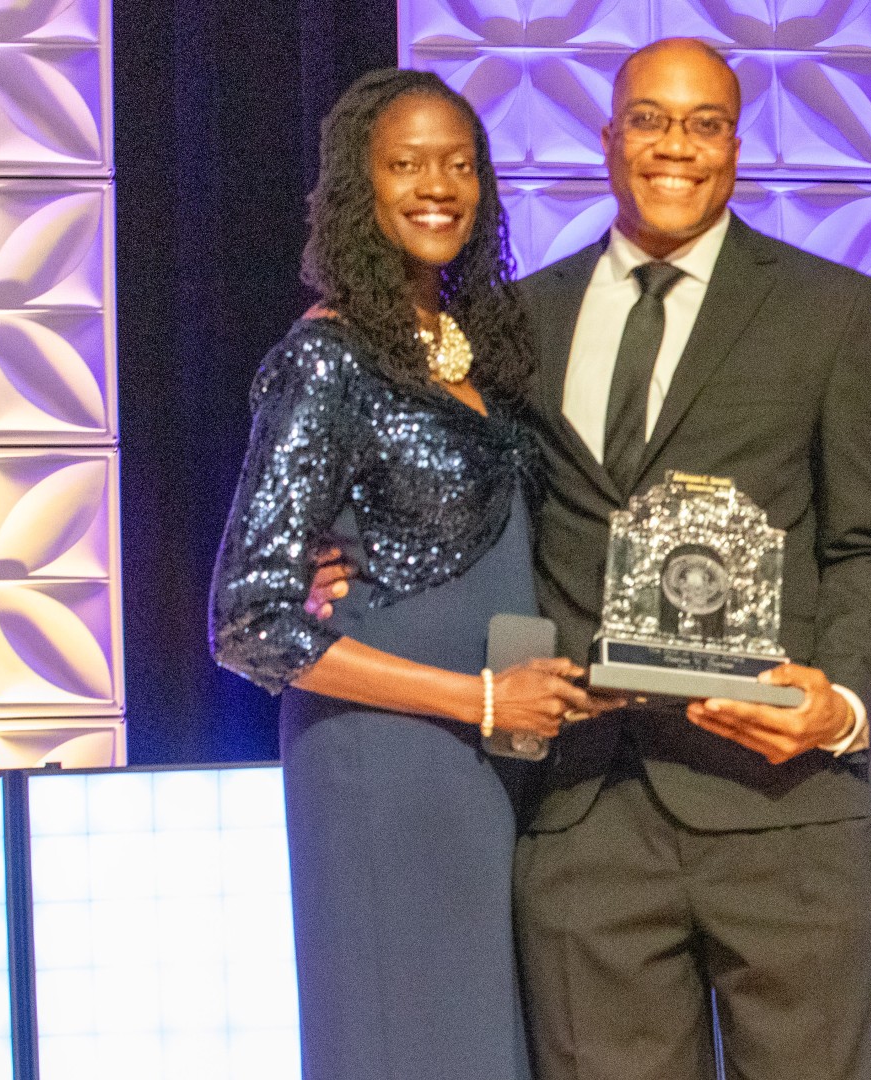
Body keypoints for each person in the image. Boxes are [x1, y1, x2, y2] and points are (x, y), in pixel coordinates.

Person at [308, 36, 871, 1080]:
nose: (675, 146)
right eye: (649, 119)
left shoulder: (831, 307)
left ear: (735, 146)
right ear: (608, 137)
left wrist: (842, 704)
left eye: (704, 123)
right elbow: (457, 486)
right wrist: (351, 552)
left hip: (785, 812)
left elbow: (866, 544)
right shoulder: (512, 321)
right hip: (588, 819)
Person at [208, 69, 607, 1080]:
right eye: (407, 163)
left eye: (460, 163)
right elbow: (250, 619)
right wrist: (475, 698)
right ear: (360, 186)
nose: (439, 184)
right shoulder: (328, 360)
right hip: (384, 768)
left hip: (495, 763)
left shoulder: (481, 351)